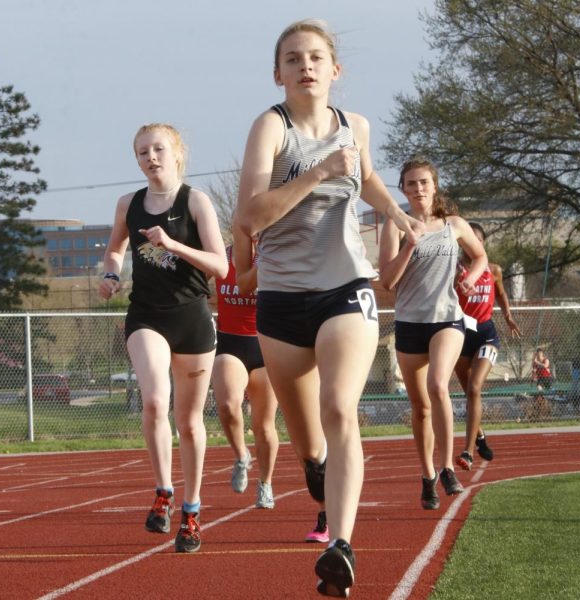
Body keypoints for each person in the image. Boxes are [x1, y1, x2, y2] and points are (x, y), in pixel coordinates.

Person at [233, 19, 424, 597]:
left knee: (340, 408)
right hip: (282, 298)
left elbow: (364, 178)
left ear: (335, 70)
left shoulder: (355, 125)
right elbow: (250, 217)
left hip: (346, 285)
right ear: (278, 73)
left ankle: (340, 546)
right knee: (305, 437)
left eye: (316, 57)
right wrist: (317, 172)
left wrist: (395, 213)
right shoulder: (271, 128)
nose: (305, 66)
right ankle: (316, 467)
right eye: (293, 59)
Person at [98, 123, 227, 554]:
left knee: (189, 423)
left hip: (191, 317)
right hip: (146, 315)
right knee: (155, 400)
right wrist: (111, 273)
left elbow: (221, 267)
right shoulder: (128, 204)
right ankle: (163, 492)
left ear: (176, 153)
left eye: (157, 149)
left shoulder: (196, 201)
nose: (150, 158)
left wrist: (173, 244)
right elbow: (115, 248)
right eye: (141, 152)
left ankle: (191, 512)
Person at [378, 156, 487, 513]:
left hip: (447, 319)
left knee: (439, 386)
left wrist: (470, 278)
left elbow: (481, 257)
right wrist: (410, 242)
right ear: (403, 190)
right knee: (420, 406)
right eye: (411, 184)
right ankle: (427, 476)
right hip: (410, 323)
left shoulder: (453, 224)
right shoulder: (394, 227)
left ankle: (446, 468)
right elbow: (388, 281)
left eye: (424, 182)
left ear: (434, 186)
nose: (418, 189)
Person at [213, 242, 280, 510]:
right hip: (230, 344)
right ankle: (242, 455)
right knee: (228, 406)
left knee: (264, 426)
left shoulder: (273, 258)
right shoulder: (220, 258)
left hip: (265, 347)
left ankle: (265, 483)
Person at [453, 223, 522, 470]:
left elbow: (501, 294)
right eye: (468, 240)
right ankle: (480, 437)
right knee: (468, 392)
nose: (473, 245)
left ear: (482, 244)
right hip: (460, 335)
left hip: (486, 334)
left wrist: (508, 315)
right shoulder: (455, 270)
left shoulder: (493, 270)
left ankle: (468, 452)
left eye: (478, 241)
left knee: (474, 388)